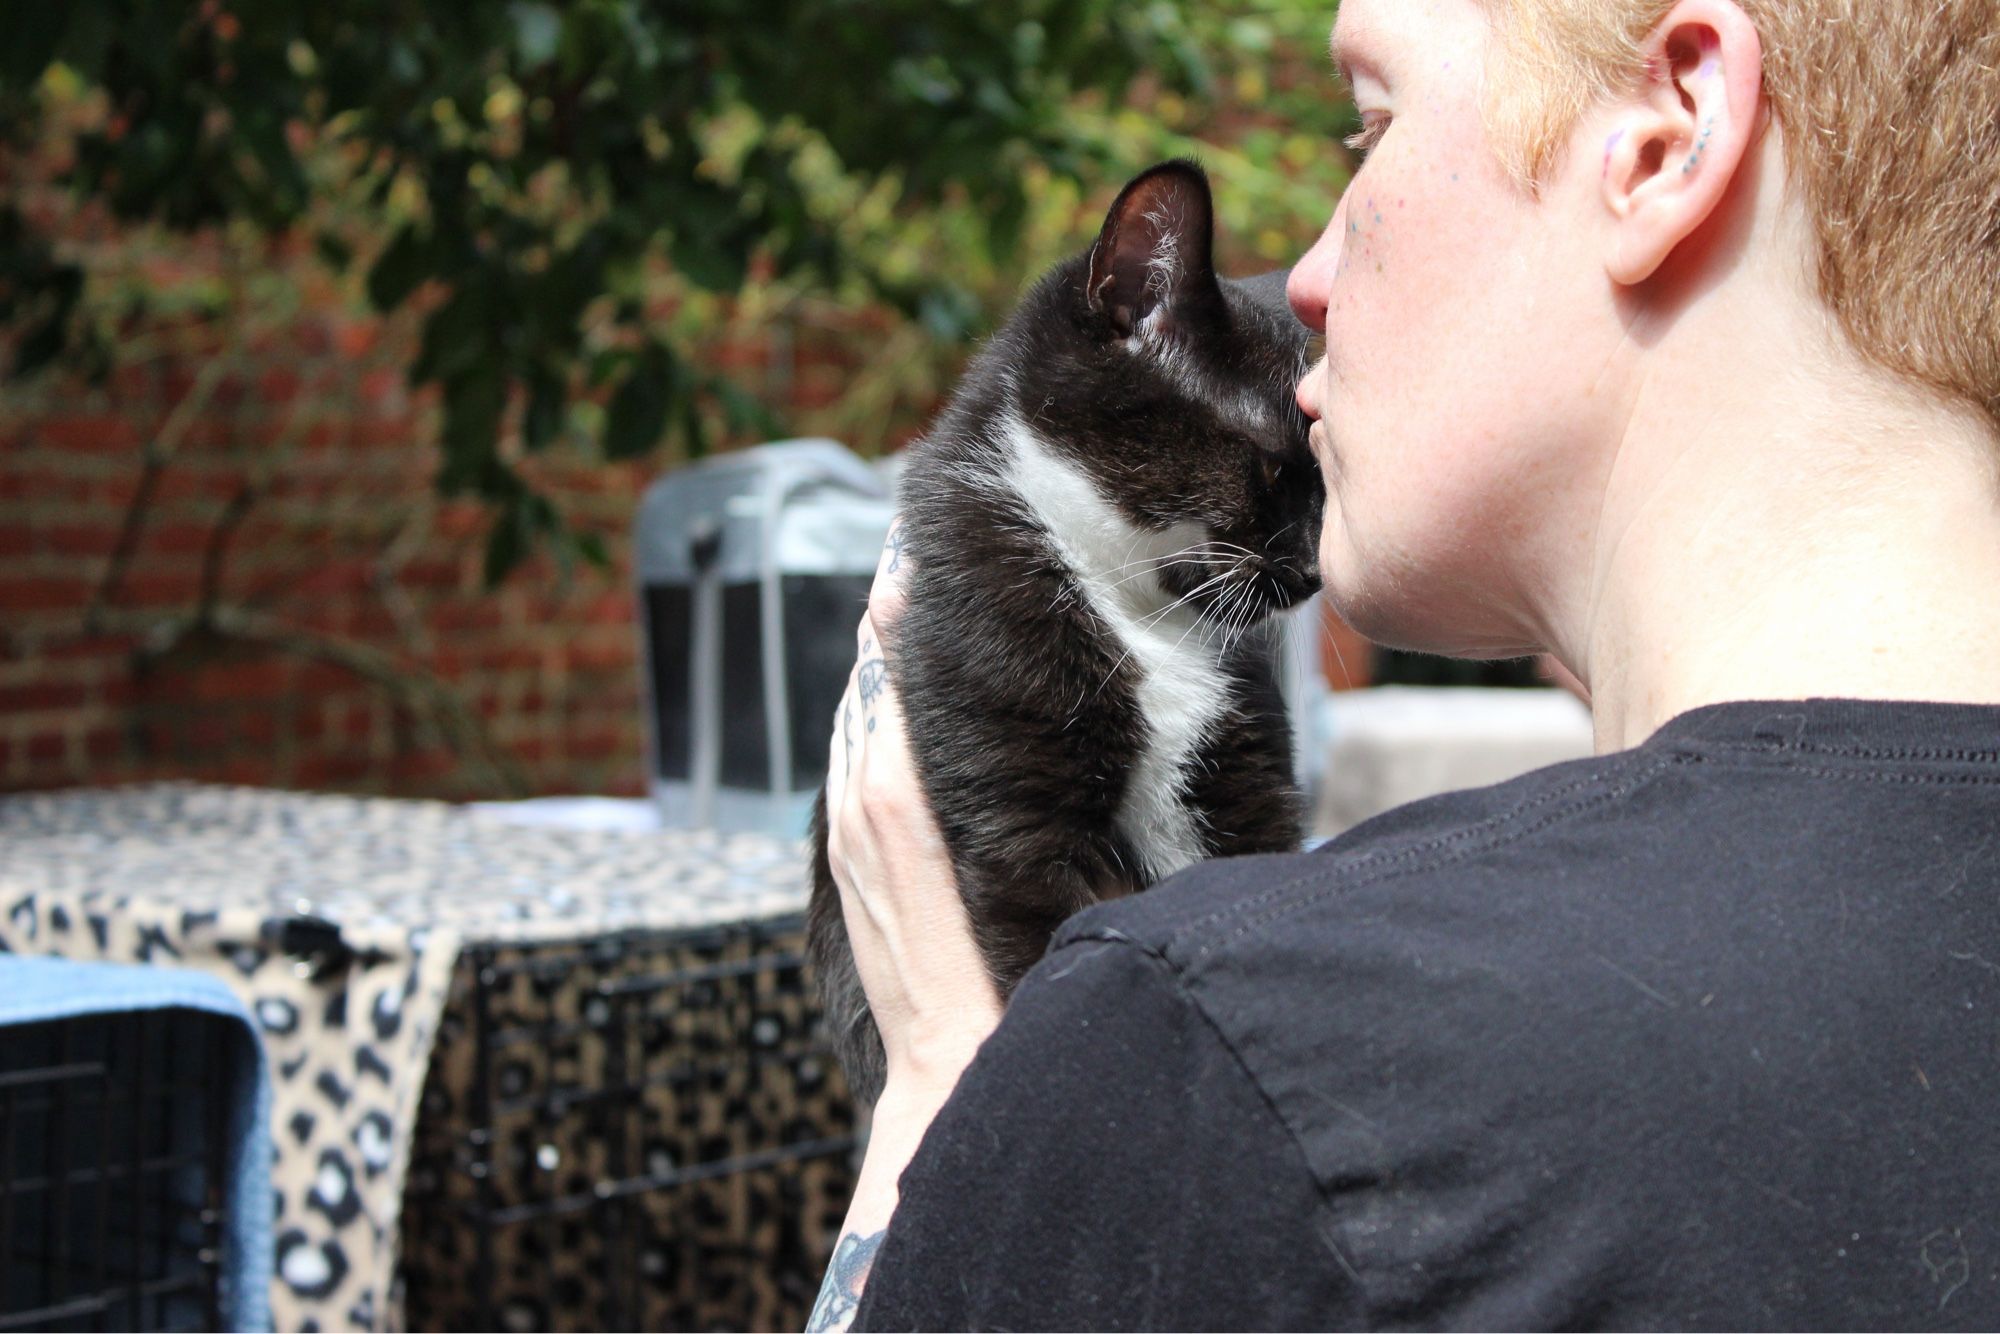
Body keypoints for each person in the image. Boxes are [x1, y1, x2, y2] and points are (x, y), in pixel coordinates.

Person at [810, 0, 2000, 1326]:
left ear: (1668, 139)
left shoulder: (1220, 1057)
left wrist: (943, 1096)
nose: (1309, 274)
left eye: (1368, 129)